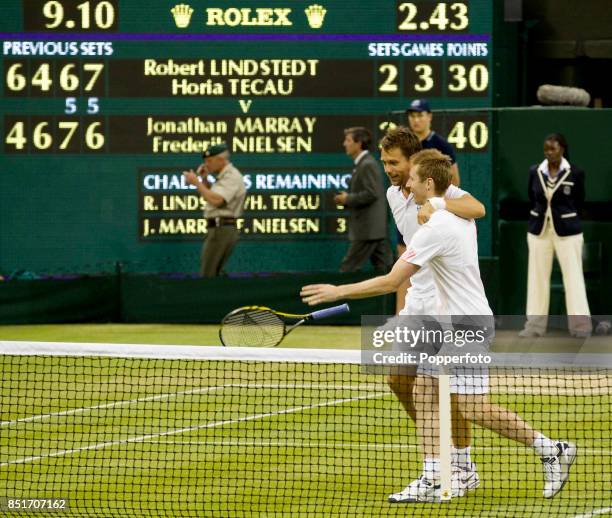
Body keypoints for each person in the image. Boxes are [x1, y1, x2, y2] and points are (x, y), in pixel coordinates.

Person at [301, 150, 576, 503]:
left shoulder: (437, 228)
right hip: (447, 325)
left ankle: (551, 448)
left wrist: (338, 290)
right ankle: (434, 475)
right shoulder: (447, 214)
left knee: (472, 407)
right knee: (425, 392)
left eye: (413, 179)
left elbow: (390, 281)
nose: (407, 184)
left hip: (466, 324)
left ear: (428, 183)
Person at [380, 129, 487, 491]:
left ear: (414, 162)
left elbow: (478, 209)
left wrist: (439, 204)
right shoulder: (393, 194)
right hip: (417, 302)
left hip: (445, 305)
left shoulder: (439, 190)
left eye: (394, 163)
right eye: (385, 163)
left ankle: (459, 464)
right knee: (398, 380)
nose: (389, 169)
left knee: (446, 392)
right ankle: (441, 455)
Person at [520, 133, 591, 338]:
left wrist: (565, 217)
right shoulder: (535, 171)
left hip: (568, 232)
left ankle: (580, 327)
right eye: (546, 149)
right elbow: (531, 197)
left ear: (562, 149)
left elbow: (579, 200)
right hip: (539, 231)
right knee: (537, 279)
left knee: (574, 278)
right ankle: (534, 326)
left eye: (553, 149)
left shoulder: (576, 173)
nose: (549, 153)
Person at [183, 143, 246, 277]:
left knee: (208, 274)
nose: (206, 164)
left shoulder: (232, 176)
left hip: (222, 229)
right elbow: (212, 195)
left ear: (221, 160)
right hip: (220, 229)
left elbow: (217, 200)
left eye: (209, 161)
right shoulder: (223, 176)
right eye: (205, 161)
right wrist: (204, 179)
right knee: (214, 272)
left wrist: (197, 183)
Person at [334, 127, 393, 272]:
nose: (344, 144)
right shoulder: (364, 164)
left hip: (368, 231)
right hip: (374, 230)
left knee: (347, 269)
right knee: (386, 269)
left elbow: (372, 193)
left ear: (358, 143)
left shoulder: (367, 165)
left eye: (348, 140)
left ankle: (341, 295)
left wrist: (347, 198)